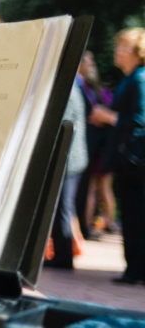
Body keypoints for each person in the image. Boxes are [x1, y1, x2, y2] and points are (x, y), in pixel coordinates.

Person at [90, 28, 145, 285]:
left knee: (136, 216)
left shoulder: (140, 79)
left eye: (122, 46)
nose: (117, 51)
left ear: (136, 52)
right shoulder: (131, 78)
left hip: (135, 163)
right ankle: (134, 269)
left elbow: (140, 120)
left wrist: (108, 117)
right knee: (133, 216)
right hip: (128, 161)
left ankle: (136, 271)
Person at [43, 85, 89, 269]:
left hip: (69, 159)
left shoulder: (69, 88)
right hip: (72, 157)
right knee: (62, 207)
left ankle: (63, 258)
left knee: (62, 208)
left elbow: (64, 126)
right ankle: (62, 255)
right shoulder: (73, 87)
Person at [77, 50, 117, 239]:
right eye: (88, 62)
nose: (91, 65)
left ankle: (97, 224)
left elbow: (107, 112)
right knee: (99, 186)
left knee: (96, 186)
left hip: (98, 146)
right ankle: (102, 222)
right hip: (99, 145)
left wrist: (103, 116)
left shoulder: (94, 89)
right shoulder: (92, 88)